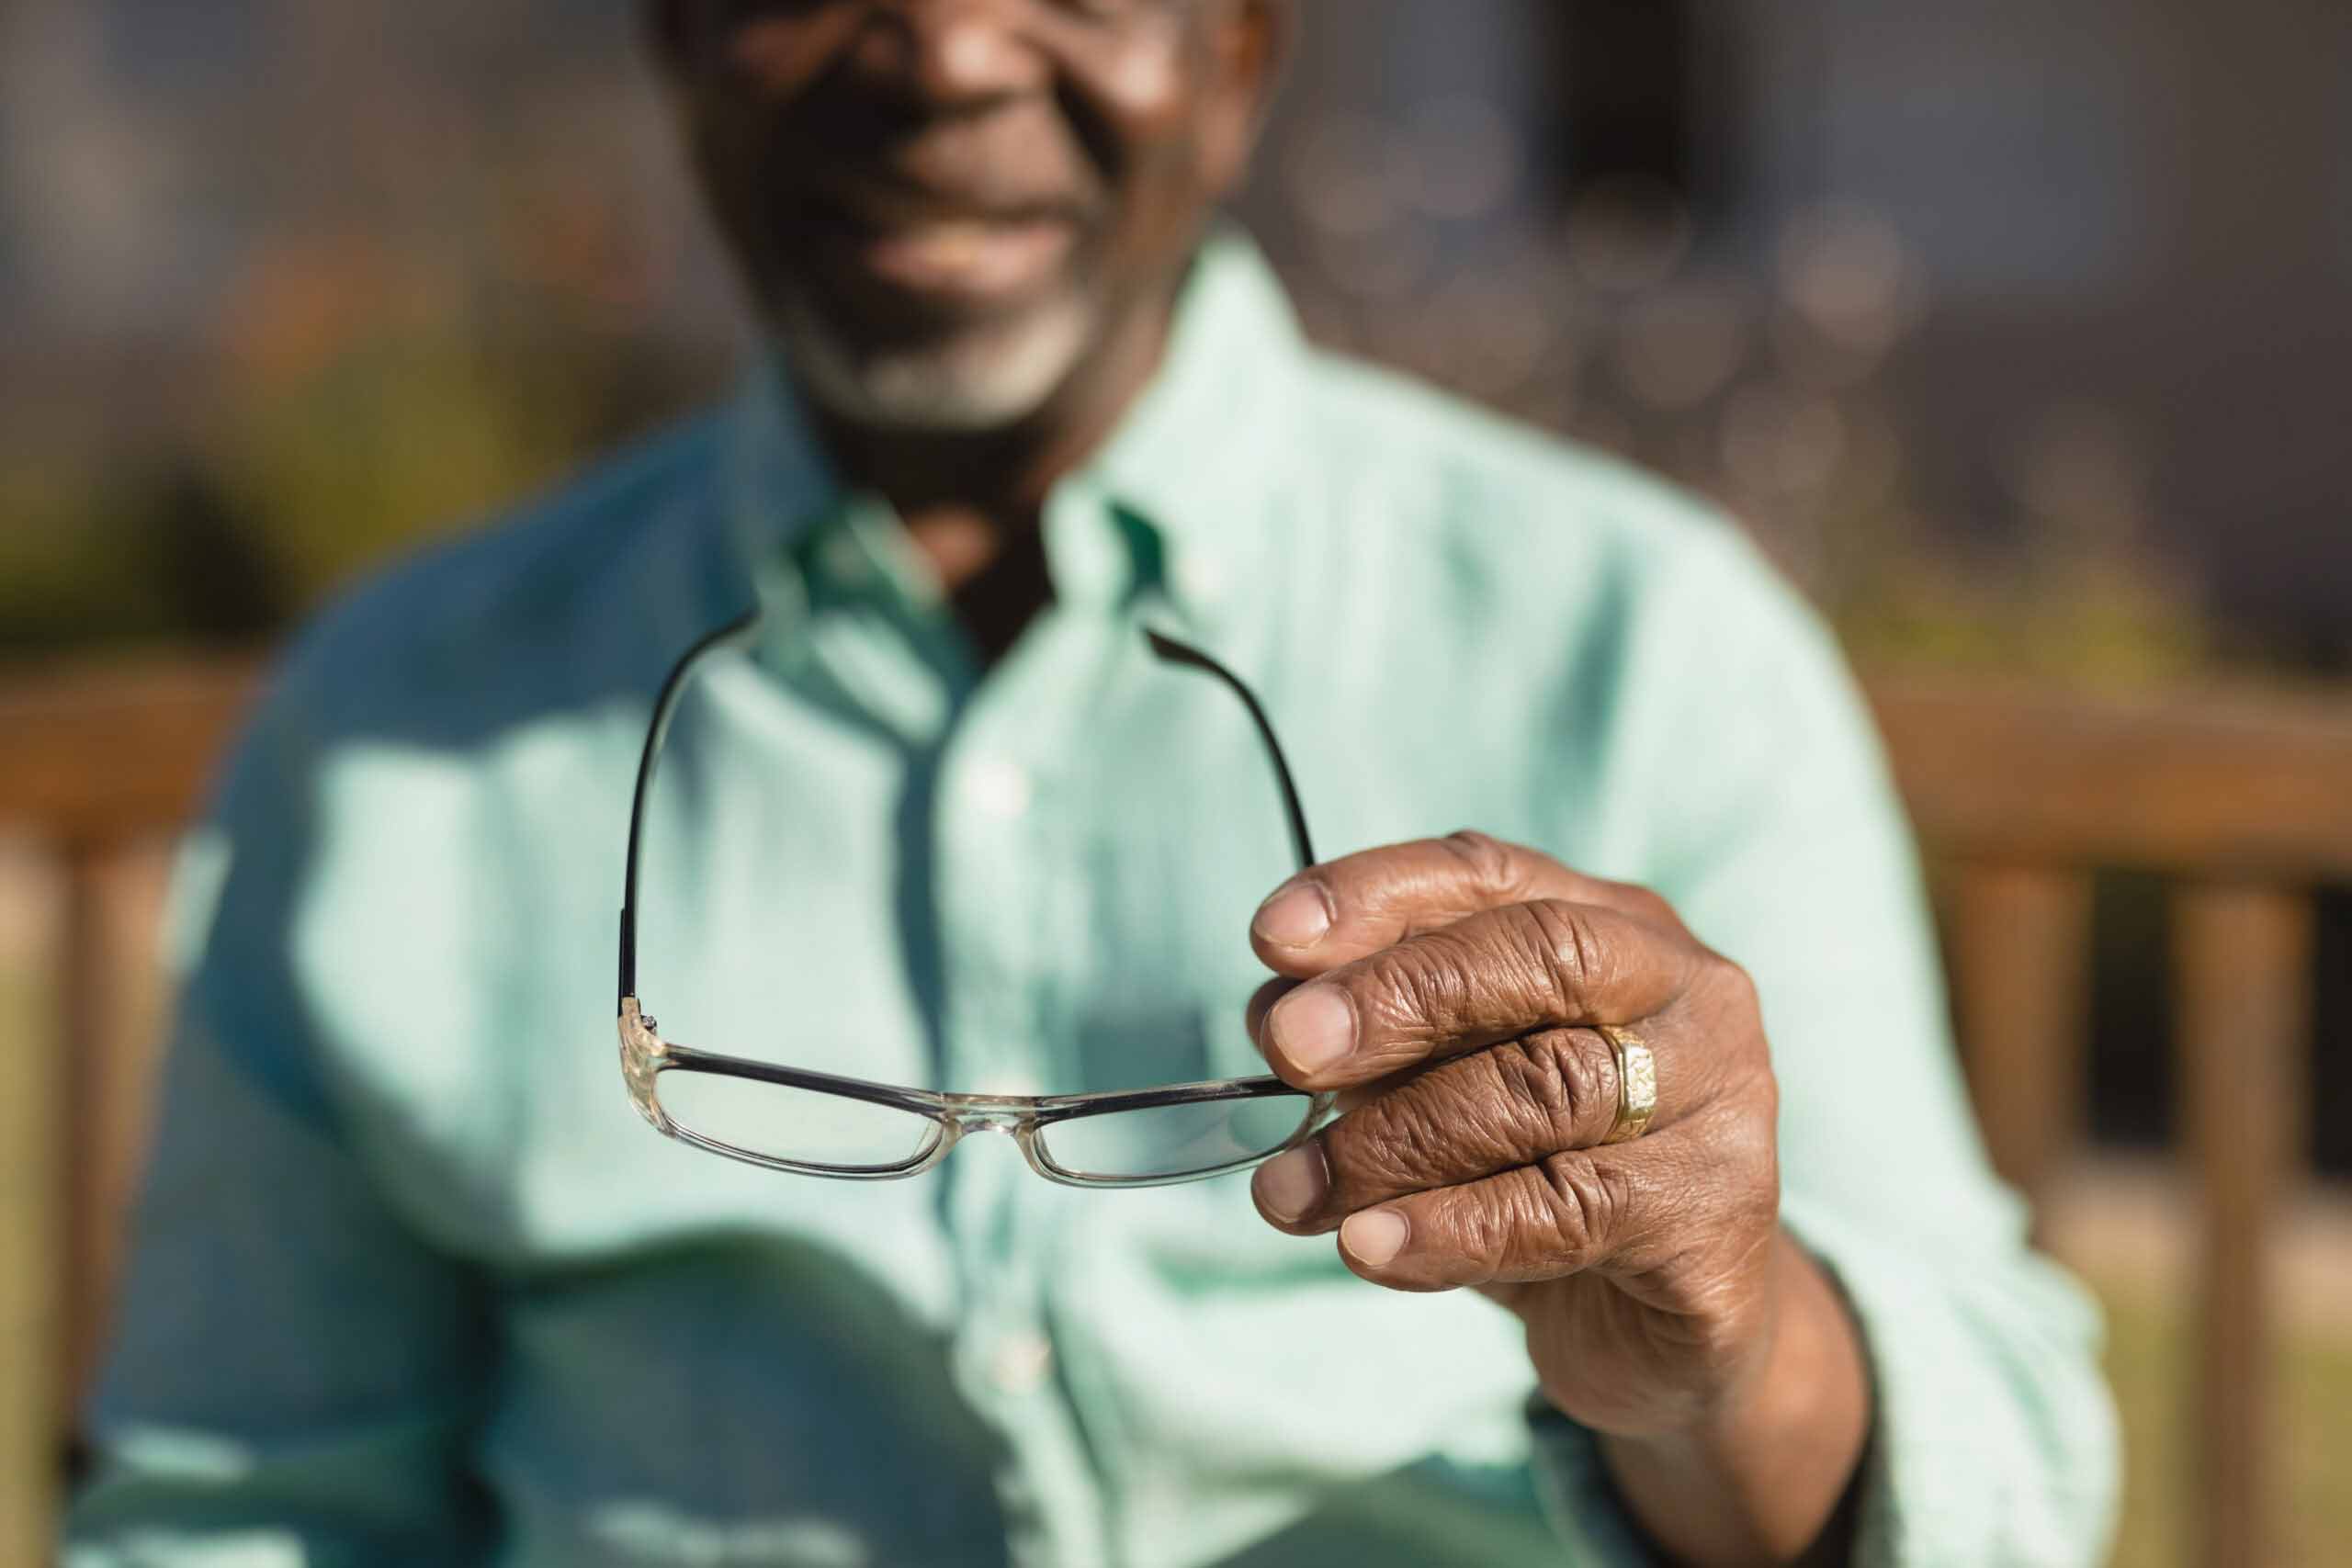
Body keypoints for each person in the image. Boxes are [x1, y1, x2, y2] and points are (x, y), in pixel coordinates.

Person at [66, 3, 2119, 1564]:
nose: (949, 51)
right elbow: (244, 1500)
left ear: (1242, 47)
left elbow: (2002, 1477)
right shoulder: (406, 712)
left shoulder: (1634, 643)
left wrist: (1727, 1354)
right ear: (675, 36)